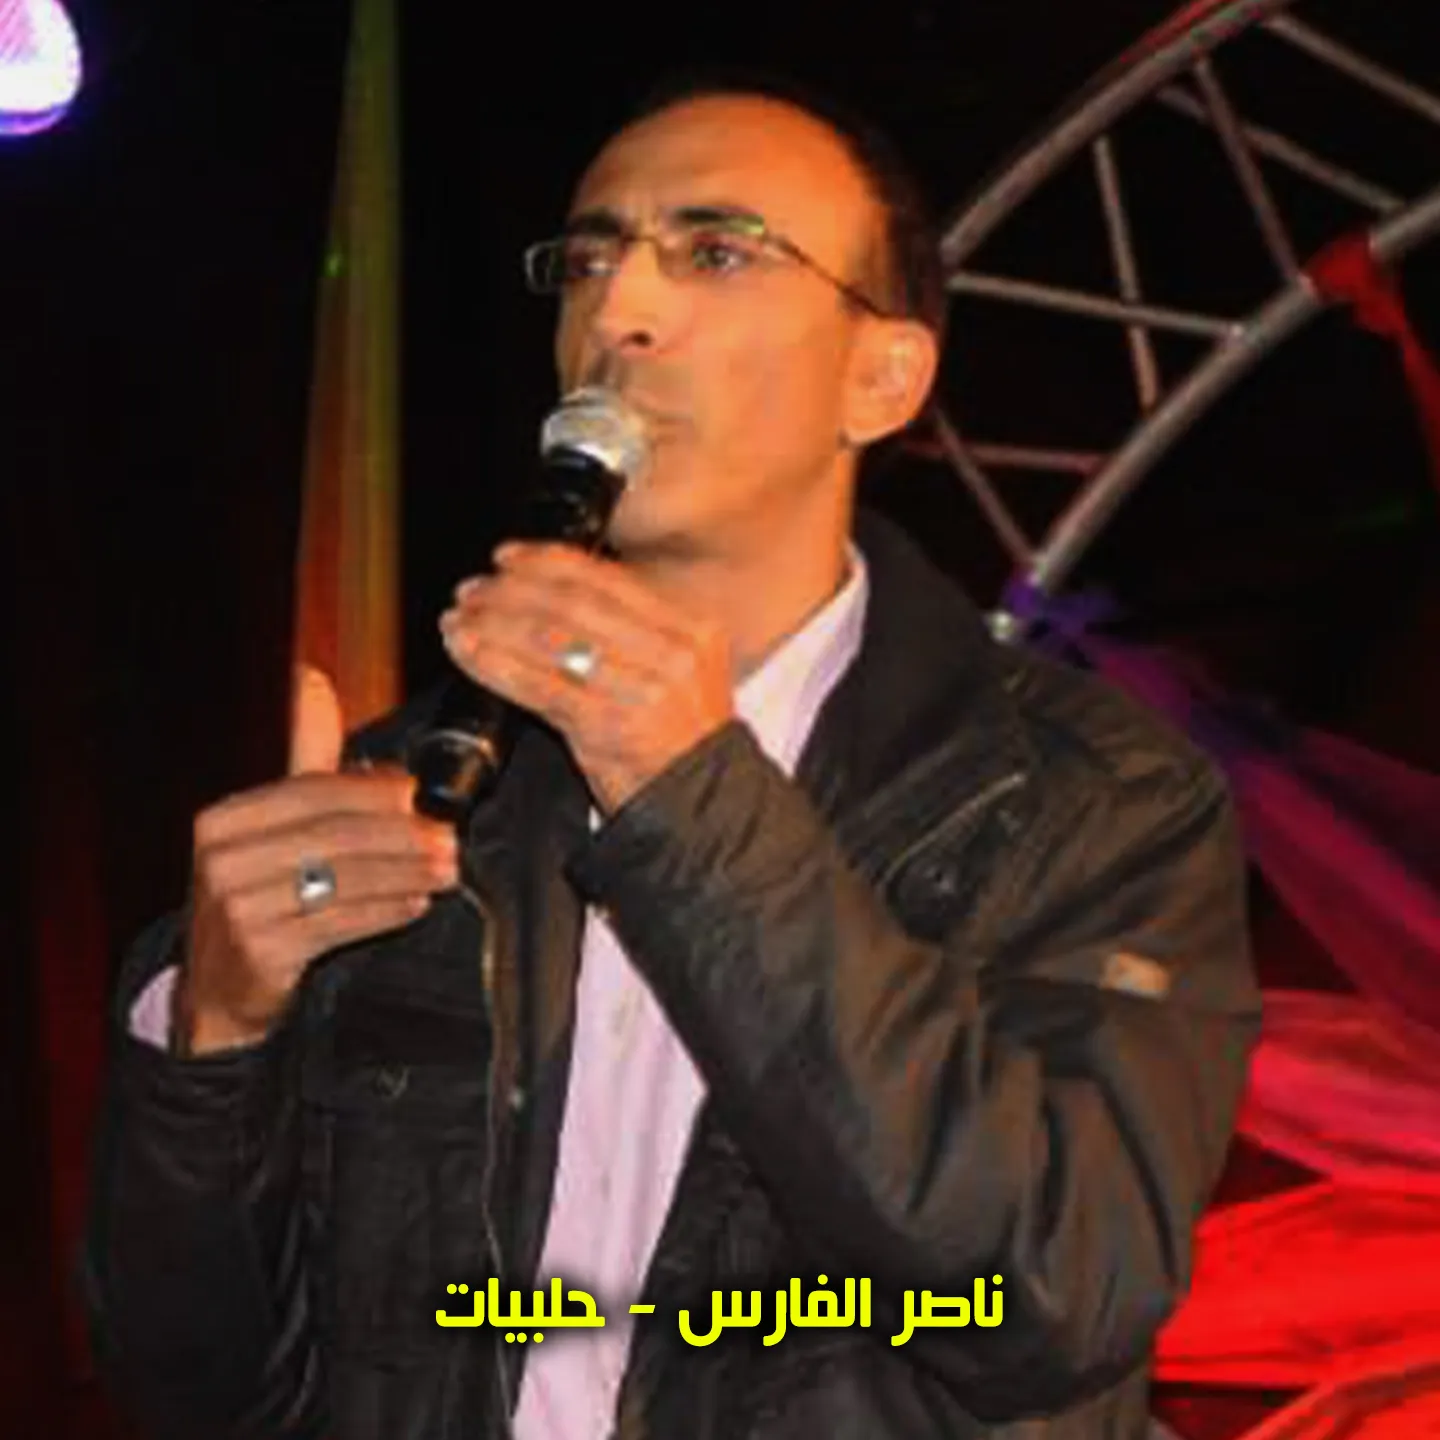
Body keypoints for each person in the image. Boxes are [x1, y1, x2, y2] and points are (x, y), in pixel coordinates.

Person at [83, 73, 1260, 1440]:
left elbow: (1045, 1297)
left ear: (882, 377)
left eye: (716, 252)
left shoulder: (1090, 798)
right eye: (590, 260)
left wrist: (691, 798)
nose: (618, 313)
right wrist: (210, 1044)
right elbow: (201, 1386)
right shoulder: (419, 791)